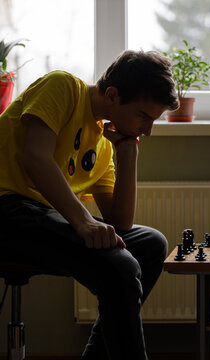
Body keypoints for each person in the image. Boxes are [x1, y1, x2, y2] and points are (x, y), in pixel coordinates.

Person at [0, 50, 179, 359]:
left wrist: (128, 152)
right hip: (6, 208)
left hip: (43, 218)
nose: (148, 130)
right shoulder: (63, 87)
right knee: (119, 265)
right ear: (112, 94)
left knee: (150, 244)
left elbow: (120, 223)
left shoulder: (102, 141)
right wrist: (83, 221)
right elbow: (36, 158)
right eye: (144, 117)